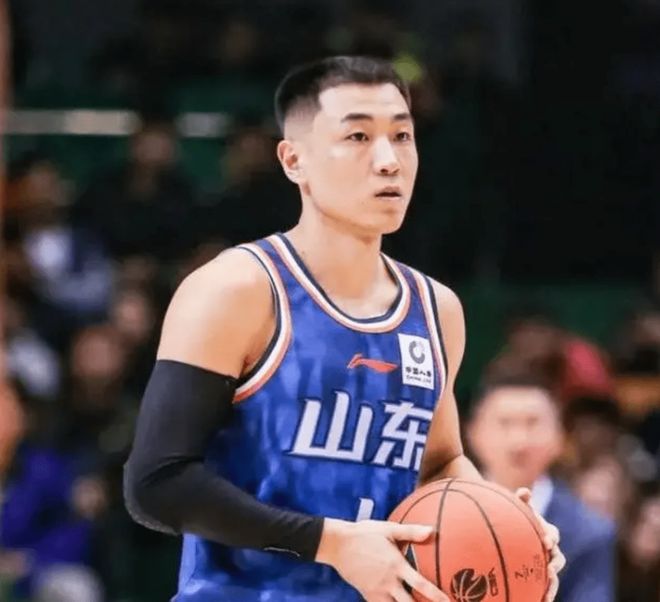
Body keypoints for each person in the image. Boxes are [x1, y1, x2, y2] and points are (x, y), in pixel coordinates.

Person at [124, 56, 564, 602]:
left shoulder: (437, 309)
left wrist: (506, 530)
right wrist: (331, 544)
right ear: (294, 161)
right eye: (358, 136)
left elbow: (439, 464)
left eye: (402, 136)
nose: (388, 160)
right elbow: (156, 484)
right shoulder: (236, 290)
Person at [468, 374, 616, 602]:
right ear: (472, 433)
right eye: (504, 423)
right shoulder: (436, 515)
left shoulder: (589, 530)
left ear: (560, 436)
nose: (518, 441)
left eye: (533, 423)